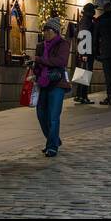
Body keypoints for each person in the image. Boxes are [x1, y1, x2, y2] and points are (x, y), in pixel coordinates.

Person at [31, 17, 71, 156]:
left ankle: (52, 146)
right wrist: (34, 69)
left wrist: (40, 60)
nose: (46, 33)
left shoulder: (63, 44)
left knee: (53, 116)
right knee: (41, 115)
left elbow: (61, 61)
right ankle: (53, 139)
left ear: (56, 31)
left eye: (48, 30)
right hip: (43, 83)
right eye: (45, 30)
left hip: (57, 83)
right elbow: (37, 66)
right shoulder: (40, 46)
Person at [72, 3, 97, 104]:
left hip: (83, 51)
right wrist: (84, 53)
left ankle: (79, 96)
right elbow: (84, 35)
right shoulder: (87, 21)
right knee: (85, 73)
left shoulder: (84, 20)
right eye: (93, 10)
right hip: (86, 52)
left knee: (81, 73)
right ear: (90, 11)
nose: (95, 12)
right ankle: (83, 96)